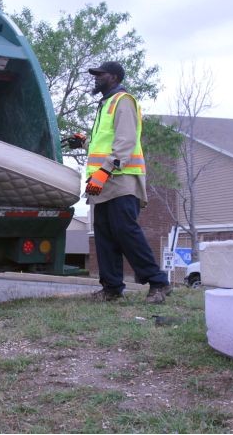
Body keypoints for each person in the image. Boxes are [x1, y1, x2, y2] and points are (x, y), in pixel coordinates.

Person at [69, 61, 171, 303]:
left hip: (121, 180)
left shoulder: (123, 101)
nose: (95, 78)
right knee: (104, 235)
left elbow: (125, 142)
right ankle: (112, 287)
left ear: (113, 77)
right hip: (102, 183)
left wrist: (103, 173)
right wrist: (83, 142)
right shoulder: (105, 105)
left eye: (100, 75)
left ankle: (158, 282)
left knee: (126, 232)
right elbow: (102, 144)